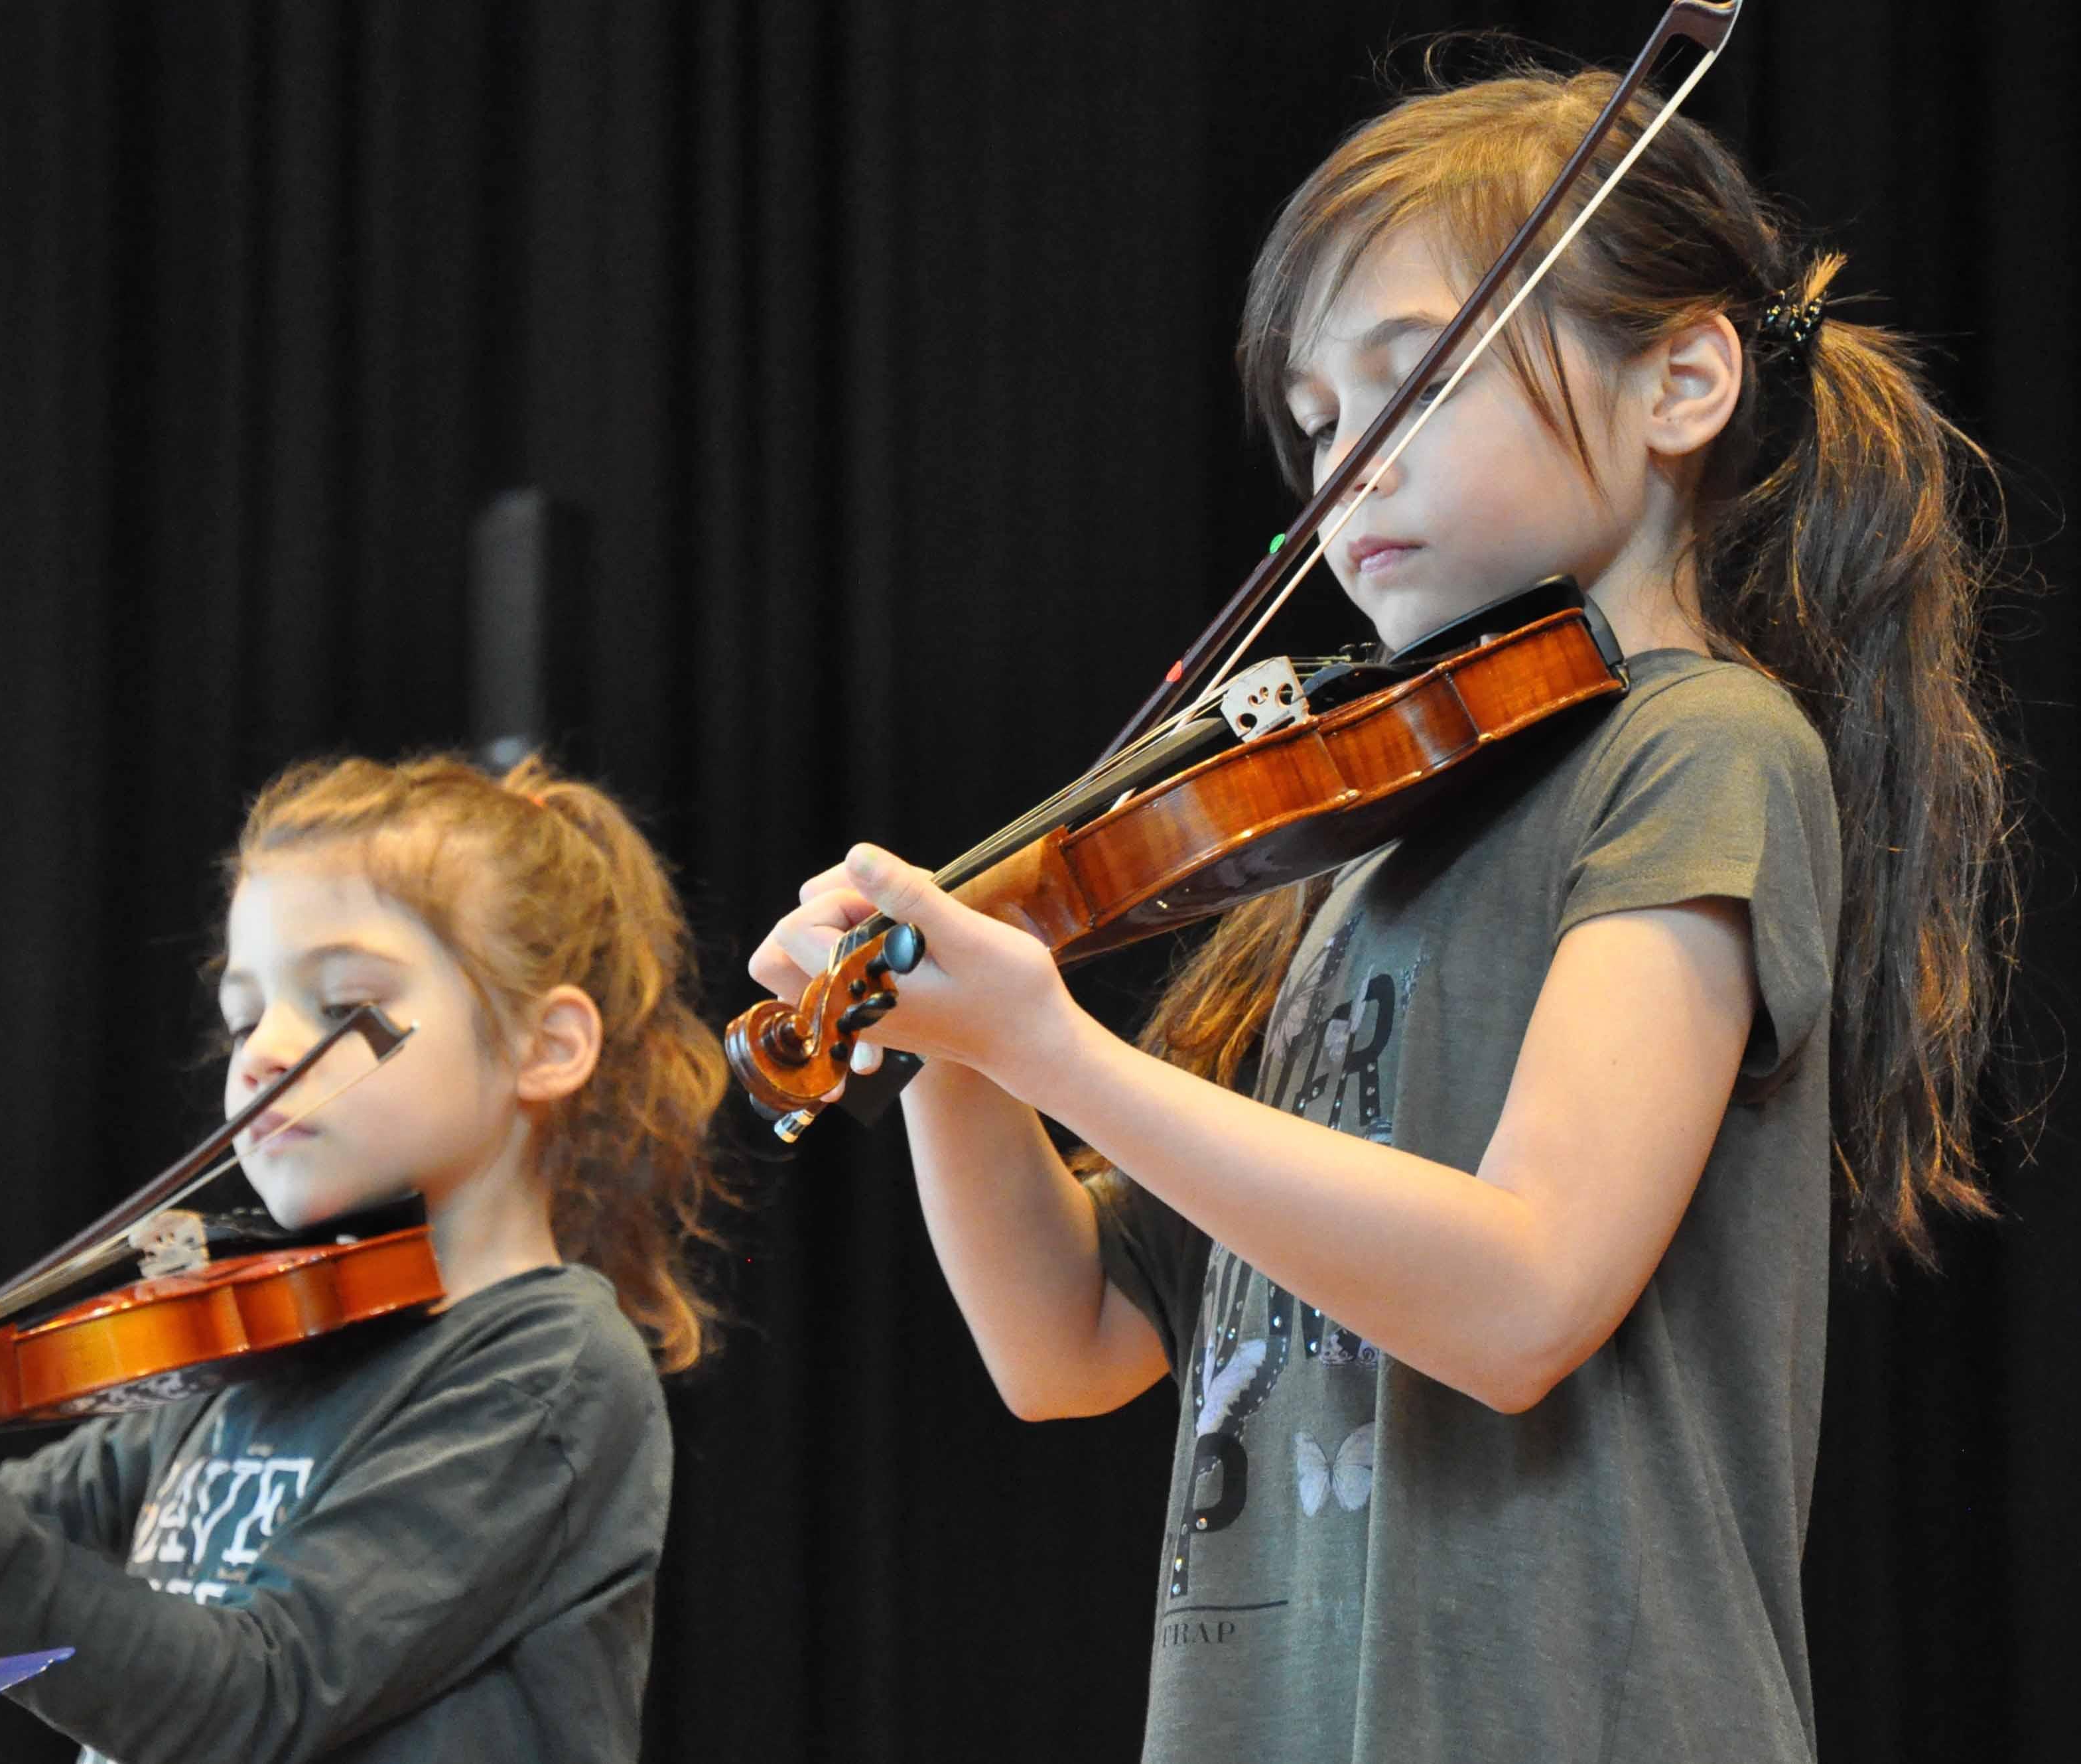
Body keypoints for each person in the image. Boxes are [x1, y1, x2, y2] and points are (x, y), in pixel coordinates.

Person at [750, 62, 2011, 1764]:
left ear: (1686, 378)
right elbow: (1071, 1344)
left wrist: (1049, 1037)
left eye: (1414, 382)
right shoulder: (1355, 843)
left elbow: (1521, 1298)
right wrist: (950, 1040)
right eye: (1318, 421)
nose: (1345, 471)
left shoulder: (1699, 746)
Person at [0, 753, 730, 1763]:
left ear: (546, 1045)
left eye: (343, 1005)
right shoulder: (245, 1359)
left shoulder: (547, 1368)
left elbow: (258, 1696)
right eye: (245, 1016)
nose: (263, 1054)